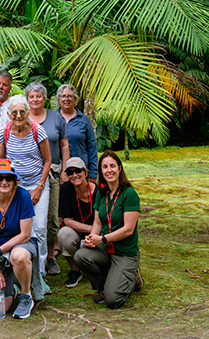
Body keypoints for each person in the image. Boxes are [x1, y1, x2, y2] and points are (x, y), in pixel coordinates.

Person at [0, 159, 44, 319]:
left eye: (9, 178)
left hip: (20, 244)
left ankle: (26, 296)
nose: (4, 181)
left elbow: (25, 234)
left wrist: (0, 250)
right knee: (1, 307)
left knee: (18, 256)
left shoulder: (23, 196)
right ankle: (12, 284)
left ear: (15, 181)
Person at [0, 95, 51, 289]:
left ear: (28, 113)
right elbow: (0, 160)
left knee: (40, 228)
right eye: (15, 112)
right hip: (14, 187)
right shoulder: (5, 132)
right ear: (9, 114)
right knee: (17, 229)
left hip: (37, 184)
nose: (18, 116)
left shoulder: (37, 130)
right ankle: (19, 272)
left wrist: (39, 187)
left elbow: (48, 161)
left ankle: (41, 273)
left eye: (22, 112)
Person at [75, 150, 142, 309]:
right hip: (107, 248)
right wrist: (91, 238)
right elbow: (97, 223)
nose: (109, 170)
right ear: (101, 171)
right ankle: (105, 282)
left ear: (120, 168)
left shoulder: (129, 194)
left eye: (112, 166)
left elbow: (128, 230)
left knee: (113, 301)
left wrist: (102, 239)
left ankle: (132, 277)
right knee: (81, 255)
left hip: (124, 251)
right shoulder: (102, 193)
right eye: (104, 167)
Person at [26, 82, 69, 276]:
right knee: (28, 217)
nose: (35, 100)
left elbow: (64, 145)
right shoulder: (22, 117)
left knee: (51, 216)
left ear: (45, 98)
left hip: (53, 172)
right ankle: (29, 253)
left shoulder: (55, 117)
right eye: (31, 97)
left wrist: (65, 170)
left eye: (39, 96)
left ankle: (50, 256)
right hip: (28, 175)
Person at [57, 157, 96, 289]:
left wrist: (94, 231)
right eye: (70, 172)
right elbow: (67, 220)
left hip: (96, 230)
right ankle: (74, 270)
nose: (74, 175)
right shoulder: (66, 189)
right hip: (79, 230)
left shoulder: (98, 190)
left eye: (78, 171)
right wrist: (90, 229)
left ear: (86, 172)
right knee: (63, 234)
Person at [57, 84, 97, 181]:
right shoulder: (53, 118)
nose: (67, 99)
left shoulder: (84, 119)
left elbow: (92, 146)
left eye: (70, 96)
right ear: (58, 99)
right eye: (63, 96)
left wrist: (93, 173)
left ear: (75, 99)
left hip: (81, 171)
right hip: (59, 173)